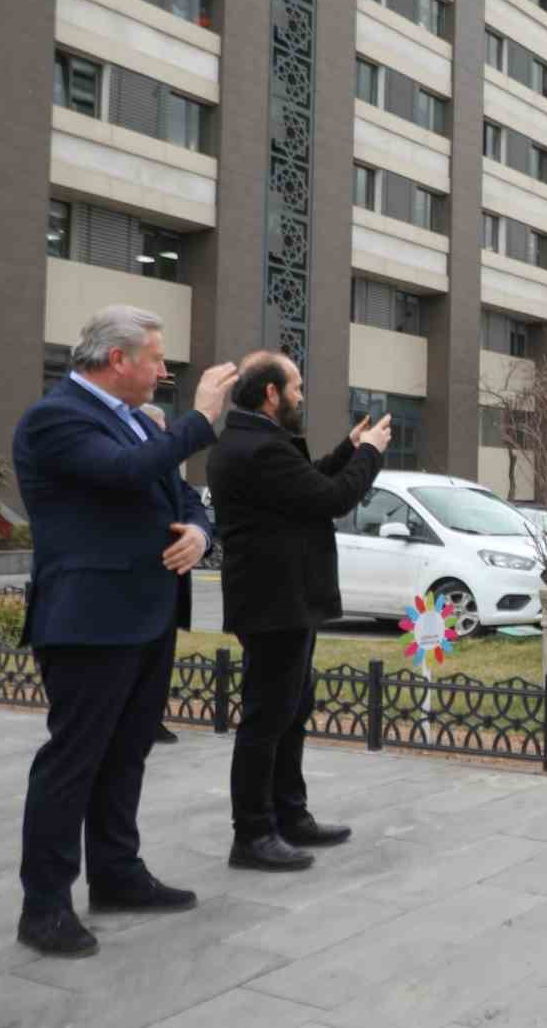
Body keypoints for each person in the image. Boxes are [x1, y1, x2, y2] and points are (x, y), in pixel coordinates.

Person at [12, 305, 236, 957]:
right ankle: (45, 905)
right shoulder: (57, 418)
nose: (165, 373)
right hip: (88, 617)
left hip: (148, 612)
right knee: (73, 761)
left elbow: (180, 494)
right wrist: (201, 419)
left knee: (127, 752)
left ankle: (117, 874)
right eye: (157, 360)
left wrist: (199, 531)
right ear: (118, 360)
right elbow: (122, 474)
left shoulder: (136, 420)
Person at [208, 351, 389, 872]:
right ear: (272, 393)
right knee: (267, 718)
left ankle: (290, 814)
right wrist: (370, 455)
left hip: (284, 600)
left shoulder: (253, 441)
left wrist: (348, 449)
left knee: (292, 709)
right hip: (274, 603)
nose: (302, 395)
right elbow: (333, 499)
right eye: (297, 387)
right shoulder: (257, 448)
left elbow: (306, 487)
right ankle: (254, 833)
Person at [138, 402, 182, 746]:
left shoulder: (167, 469)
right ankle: (144, 720)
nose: (166, 430)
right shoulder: (142, 468)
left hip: (170, 578)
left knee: (161, 660)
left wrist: (200, 532)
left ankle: (153, 719)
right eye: (161, 425)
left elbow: (189, 506)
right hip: (144, 581)